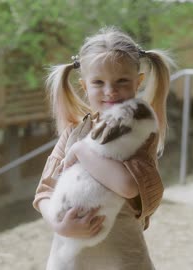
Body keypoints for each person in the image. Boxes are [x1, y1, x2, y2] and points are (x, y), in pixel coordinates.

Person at [32, 26, 174, 270]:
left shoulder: (141, 130)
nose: (111, 91)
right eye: (98, 82)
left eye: (122, 81)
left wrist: (80, 151)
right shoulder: (74, 132)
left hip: (121, 255)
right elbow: (44, 191)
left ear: (138, 82)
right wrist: (60, 225)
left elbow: (127, 185)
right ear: (85, 86)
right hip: (72, 255)